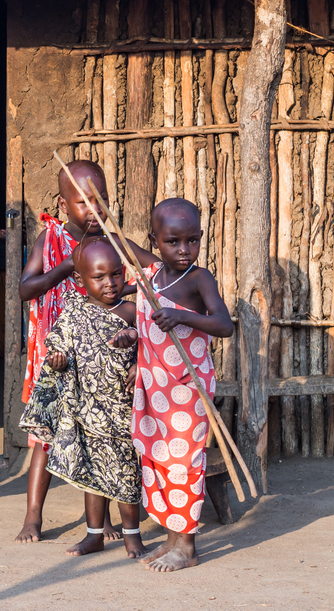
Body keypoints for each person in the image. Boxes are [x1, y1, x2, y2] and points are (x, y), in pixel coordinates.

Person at [16, 160, 152, 543]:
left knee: (100, 434)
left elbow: (153, 269)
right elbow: (26, 289)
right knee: (47, 435)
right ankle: (33, 517)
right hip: (60, 354)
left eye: (102, 200)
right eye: (83, 202)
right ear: (63, 204)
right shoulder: (51, 239)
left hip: (103, 362)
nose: (94, 210)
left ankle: (99, 522)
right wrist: (65, 268)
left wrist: (125, 290)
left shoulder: (114, 242)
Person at [132, 199, 233, 572]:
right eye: (173, 241)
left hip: (187, 388)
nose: (183, 250)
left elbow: (224, 325)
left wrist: (178, 315)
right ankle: (172, 539)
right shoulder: (151, 275)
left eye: (192, 241)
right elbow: (119, 243)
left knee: (183, 463)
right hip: (153, 387)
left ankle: (187, 547)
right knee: (159, 461)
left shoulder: (198, 278)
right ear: (155, 240)